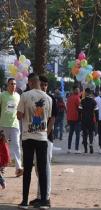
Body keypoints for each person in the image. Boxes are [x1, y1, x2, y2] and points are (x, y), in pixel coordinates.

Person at [17, 73, 52, 209]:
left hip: (28, 137)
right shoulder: (48, 98)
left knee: (27, 170)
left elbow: (19, 116)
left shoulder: (25, 96)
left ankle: (25, 201)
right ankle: (44, 201)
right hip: (42, 138)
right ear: (38, 82)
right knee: (42, 170)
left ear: (30, 83)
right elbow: (48, 118)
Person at [29, 75, 57, 208]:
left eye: (46, 85)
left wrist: (46, 134)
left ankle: (47, 198)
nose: (44, 87)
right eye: (42, 84)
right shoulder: (35, 99)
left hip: (46, 139)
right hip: (35, 137)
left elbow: (52, 119)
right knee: (38, 168)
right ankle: (40, 196)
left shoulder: (51, 99)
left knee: (45, 167)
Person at [0, 78, 23, 177]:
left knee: (17, 146)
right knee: (3, 147)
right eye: (11, 84)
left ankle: (18, 168)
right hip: (3, 125)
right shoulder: (2, 96)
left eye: (14, 84)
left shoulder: (18, 96)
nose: (13, 85)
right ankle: (2, 167)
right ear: (7, 85)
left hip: (15, 125)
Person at [79, 88, 98, 154]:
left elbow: (79, 110)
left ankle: (85, 149)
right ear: (90, 93)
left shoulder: (82, 101)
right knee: (91, 133)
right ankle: (91, 145)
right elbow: (96, 111)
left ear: (85, 93)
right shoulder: (94, 101)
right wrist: (97, 120)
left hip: (84, 120)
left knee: (84, 134)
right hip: (91, 120)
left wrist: (80, 119)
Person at [66, 86, 81, 153]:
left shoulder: (69, 98)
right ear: (74, 90)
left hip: (69, 118)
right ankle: (76, 149)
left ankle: (69, 148)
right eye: (77, 90)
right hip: (76, 118)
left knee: (70, 134)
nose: (78, 91)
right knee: (77, 134)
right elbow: (80, 107)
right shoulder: (77, 98)